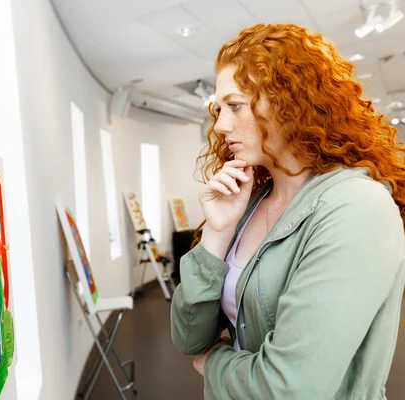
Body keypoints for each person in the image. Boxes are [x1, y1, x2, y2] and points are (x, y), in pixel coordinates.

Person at [170, 23, 405, 399]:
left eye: (234, 105)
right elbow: (188, 336)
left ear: (291, 102)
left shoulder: (357, 208)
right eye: (218, 108)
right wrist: (217, 235)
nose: (220, 124)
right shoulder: (251, 199)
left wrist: (213, 364)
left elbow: (291, 389)